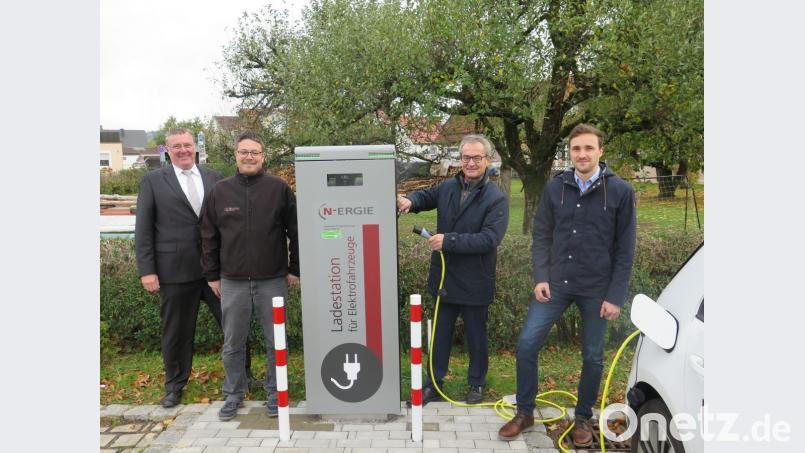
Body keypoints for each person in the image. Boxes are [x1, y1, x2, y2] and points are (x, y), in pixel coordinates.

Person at [498, 124, 637, 446]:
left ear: (600, 151)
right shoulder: (556, 187)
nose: (582, 154)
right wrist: (541, 277)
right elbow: (541, 236)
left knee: (593, 357)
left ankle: (583, 418)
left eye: (588, 148)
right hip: (556, 284)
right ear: (570, 153)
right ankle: (525, 412)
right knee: (527, 344)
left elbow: (625, 249)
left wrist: (615, 296)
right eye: (576, 149)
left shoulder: (620, 191)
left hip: (597, 290)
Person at [135, 128, 256, 408]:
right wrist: (147, 270)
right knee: (176, 333)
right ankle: (174, 386)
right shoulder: (153, 181)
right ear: (168, 151)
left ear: (195, 147)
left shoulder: (214, 177)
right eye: (176, 146)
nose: (183, 150)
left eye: (187, 145)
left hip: (217, 271)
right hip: (174, 271)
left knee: (234, 326)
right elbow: (143, 229)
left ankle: (244, 376)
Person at [397, 134, 509, 406]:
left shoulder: (496, 198)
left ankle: (477, 383)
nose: (470, 163)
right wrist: (411, 200)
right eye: (466, 157)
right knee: (440, 336)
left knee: (476, 336)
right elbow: (427, 196)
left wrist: (449, 241)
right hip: (444, 279)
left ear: (487, 160)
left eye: (476, 158)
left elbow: (489, 239)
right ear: (460, 159)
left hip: (475, 280)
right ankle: (434, 385)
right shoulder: (448, 186)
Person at [200, 131, 300, 421]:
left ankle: (275, 393)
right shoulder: (220, 191)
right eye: (244, 152)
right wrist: (212, 275)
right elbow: (208, 236)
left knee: (276, 341)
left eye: (255, 152)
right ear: (236, 155)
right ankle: (233, 393)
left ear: (263, 156)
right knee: (233, 343)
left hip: (272, 280)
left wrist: (295, 269)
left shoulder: (279, 189)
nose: (249, 157)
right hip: (232, 281)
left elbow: (296, 231)